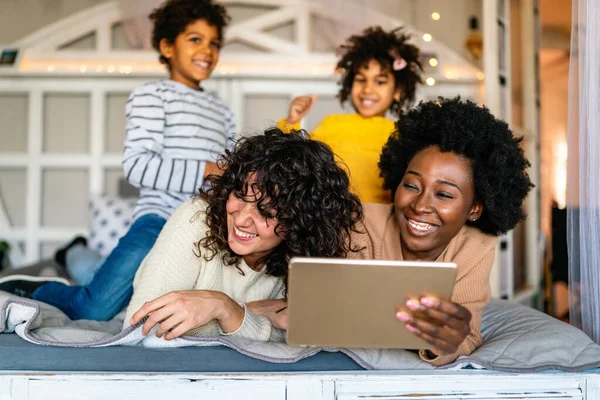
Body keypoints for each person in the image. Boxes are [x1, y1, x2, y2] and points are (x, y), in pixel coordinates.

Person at [0, 0, 236, 321]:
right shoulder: (151, 96)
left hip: (203, 231)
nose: (207, 50)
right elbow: (138, 166)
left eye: (214, 43)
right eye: (195, 39)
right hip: (158, 221)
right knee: (95, 308)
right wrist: (206, 171)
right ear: (167, 46)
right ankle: (41, 288)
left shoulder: (222, 111)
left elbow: (232, 170)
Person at [251, 97, 534, 365]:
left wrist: (449, 340)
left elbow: (466, 335)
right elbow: (333, 318)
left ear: (475, 208)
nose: (421, 205)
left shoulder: (476, 245)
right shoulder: (358, 222)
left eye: (444, 195)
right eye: (411, 185)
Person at [124, 128, 363, 341]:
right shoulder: (195, 217)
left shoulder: (302, 261)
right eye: (239, 194)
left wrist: (231, 311)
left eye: (266, 211)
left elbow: (304, 337)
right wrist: (236, 310)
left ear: (300, 221)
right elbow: (141, 332)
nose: (240, 219)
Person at [279, 26, 423, 203]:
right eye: (361, 79)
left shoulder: (402, 135)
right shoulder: (331, 124)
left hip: (380, 223)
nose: (367, 89)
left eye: (380, 81)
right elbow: (294, 162)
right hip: (330, 217)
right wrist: (292, 121)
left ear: (398, 90)